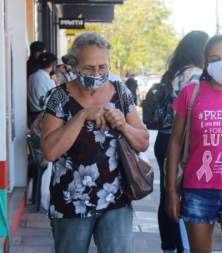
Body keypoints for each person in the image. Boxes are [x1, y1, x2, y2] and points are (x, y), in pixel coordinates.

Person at [40, 32, 149, 253]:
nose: (97, 73)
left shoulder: (120, 92)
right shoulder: (58, 97)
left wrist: (123, 125)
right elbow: (50, 152)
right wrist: (81, 116)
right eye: (90, 68)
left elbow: (143, 142)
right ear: (74, 65)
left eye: (102, 67)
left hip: (116, 199)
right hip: (70, 201)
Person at [166, 34, 222, 253]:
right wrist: (170, 190)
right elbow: (175, 143)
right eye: (215, 59)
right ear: (206, 64)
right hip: (198, 189)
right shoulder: (191, 93)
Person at [154, 30, 209, 253]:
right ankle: (182, 245)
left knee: (167, 192)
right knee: (181, 194)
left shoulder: (173, 73)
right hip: (181, 141)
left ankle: (169, 245)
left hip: (163, 138)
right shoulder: (195, 75)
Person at [28, 52, 58, 126]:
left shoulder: (31, 77)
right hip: (44, 116)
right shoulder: (49, 81)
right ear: (52, 65)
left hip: (32, 115)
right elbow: (56, 101)